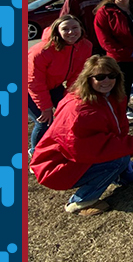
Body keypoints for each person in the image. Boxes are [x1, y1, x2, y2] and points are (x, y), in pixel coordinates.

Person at [29, 55, 133, 217]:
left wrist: (126, 151)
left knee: (128, 170)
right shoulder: (79, 109)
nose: (107, 81)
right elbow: (87, 148)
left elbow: (117, 130)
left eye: (112, 75)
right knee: (118, 161)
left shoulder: (112, 97)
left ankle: (114, 174)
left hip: (75, 160)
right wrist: (132, 144)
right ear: (88, 78)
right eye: (100, 77)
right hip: (56, 167)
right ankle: (80, 202)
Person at [26, 14, 92, 156]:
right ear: (57, 31)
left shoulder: (85, 46)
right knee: (44, 121)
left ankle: (69, 144)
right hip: (28, 89)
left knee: (71, 113)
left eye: (75, 27)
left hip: (54, 85)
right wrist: (45, 107)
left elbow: (78, 74)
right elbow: (34, 82)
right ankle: (36, 153)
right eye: (65, 29)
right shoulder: (41, 51)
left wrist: (71, 98)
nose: (71, 32)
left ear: (81, 28)